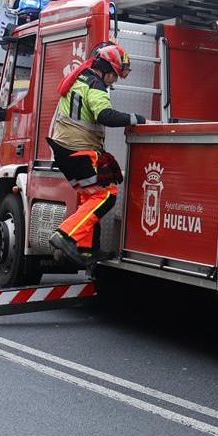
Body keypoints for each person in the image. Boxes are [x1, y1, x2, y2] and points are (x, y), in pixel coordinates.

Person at [46, 40, 146, 269]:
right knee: (106, 194)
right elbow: (105, 116)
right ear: (106, 68)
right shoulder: (95, 85)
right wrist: (138, 119)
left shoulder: (78, 79)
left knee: (88, 196)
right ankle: (65, 235)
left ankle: (86, 249)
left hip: (65, 150)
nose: (114, 81)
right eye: (114, 75)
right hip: (77, 150)